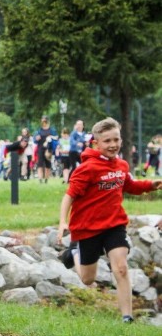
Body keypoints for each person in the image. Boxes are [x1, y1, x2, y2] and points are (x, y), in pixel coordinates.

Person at [57, 118, 161, 324]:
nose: (113, 145)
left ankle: (127, 318)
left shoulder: (121, 165)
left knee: (121, 268)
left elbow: (129, 185)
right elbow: (69, 195)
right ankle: (74, 252)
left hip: (114, 225)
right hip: (87, 229)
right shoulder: (86, 169)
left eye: (116, 139)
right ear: (96, 143)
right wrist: (62, 222)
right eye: (107, 141)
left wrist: (150, 184)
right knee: (88, 279)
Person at [34, 115, 57, 182]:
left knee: (48, 164)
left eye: (45, 121)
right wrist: (36, 138)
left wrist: (51, 137)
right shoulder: (39, 130)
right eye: (42, 121)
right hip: (40, 148)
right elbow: (35, 140)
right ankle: (40, 179)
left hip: (49, 149)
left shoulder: (52, 130)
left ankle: (46, 179)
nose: (44, 123)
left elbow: (56, 138)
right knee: (40, 164)